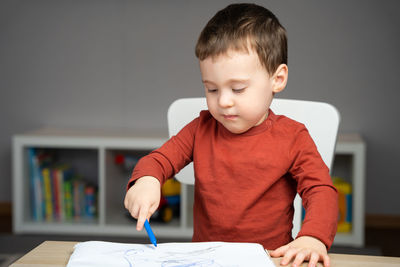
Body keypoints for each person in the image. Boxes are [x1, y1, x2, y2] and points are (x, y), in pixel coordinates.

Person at [124, 3, 338, 267]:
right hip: (206, 261)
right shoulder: (200, 129)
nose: (223, 101)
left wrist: (313, 238)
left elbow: (321, 191)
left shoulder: (293, 137)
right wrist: (146, 179)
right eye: (212, 90)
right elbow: (158, 160)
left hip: (269, 260)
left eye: (237, 89)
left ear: (277, 79)